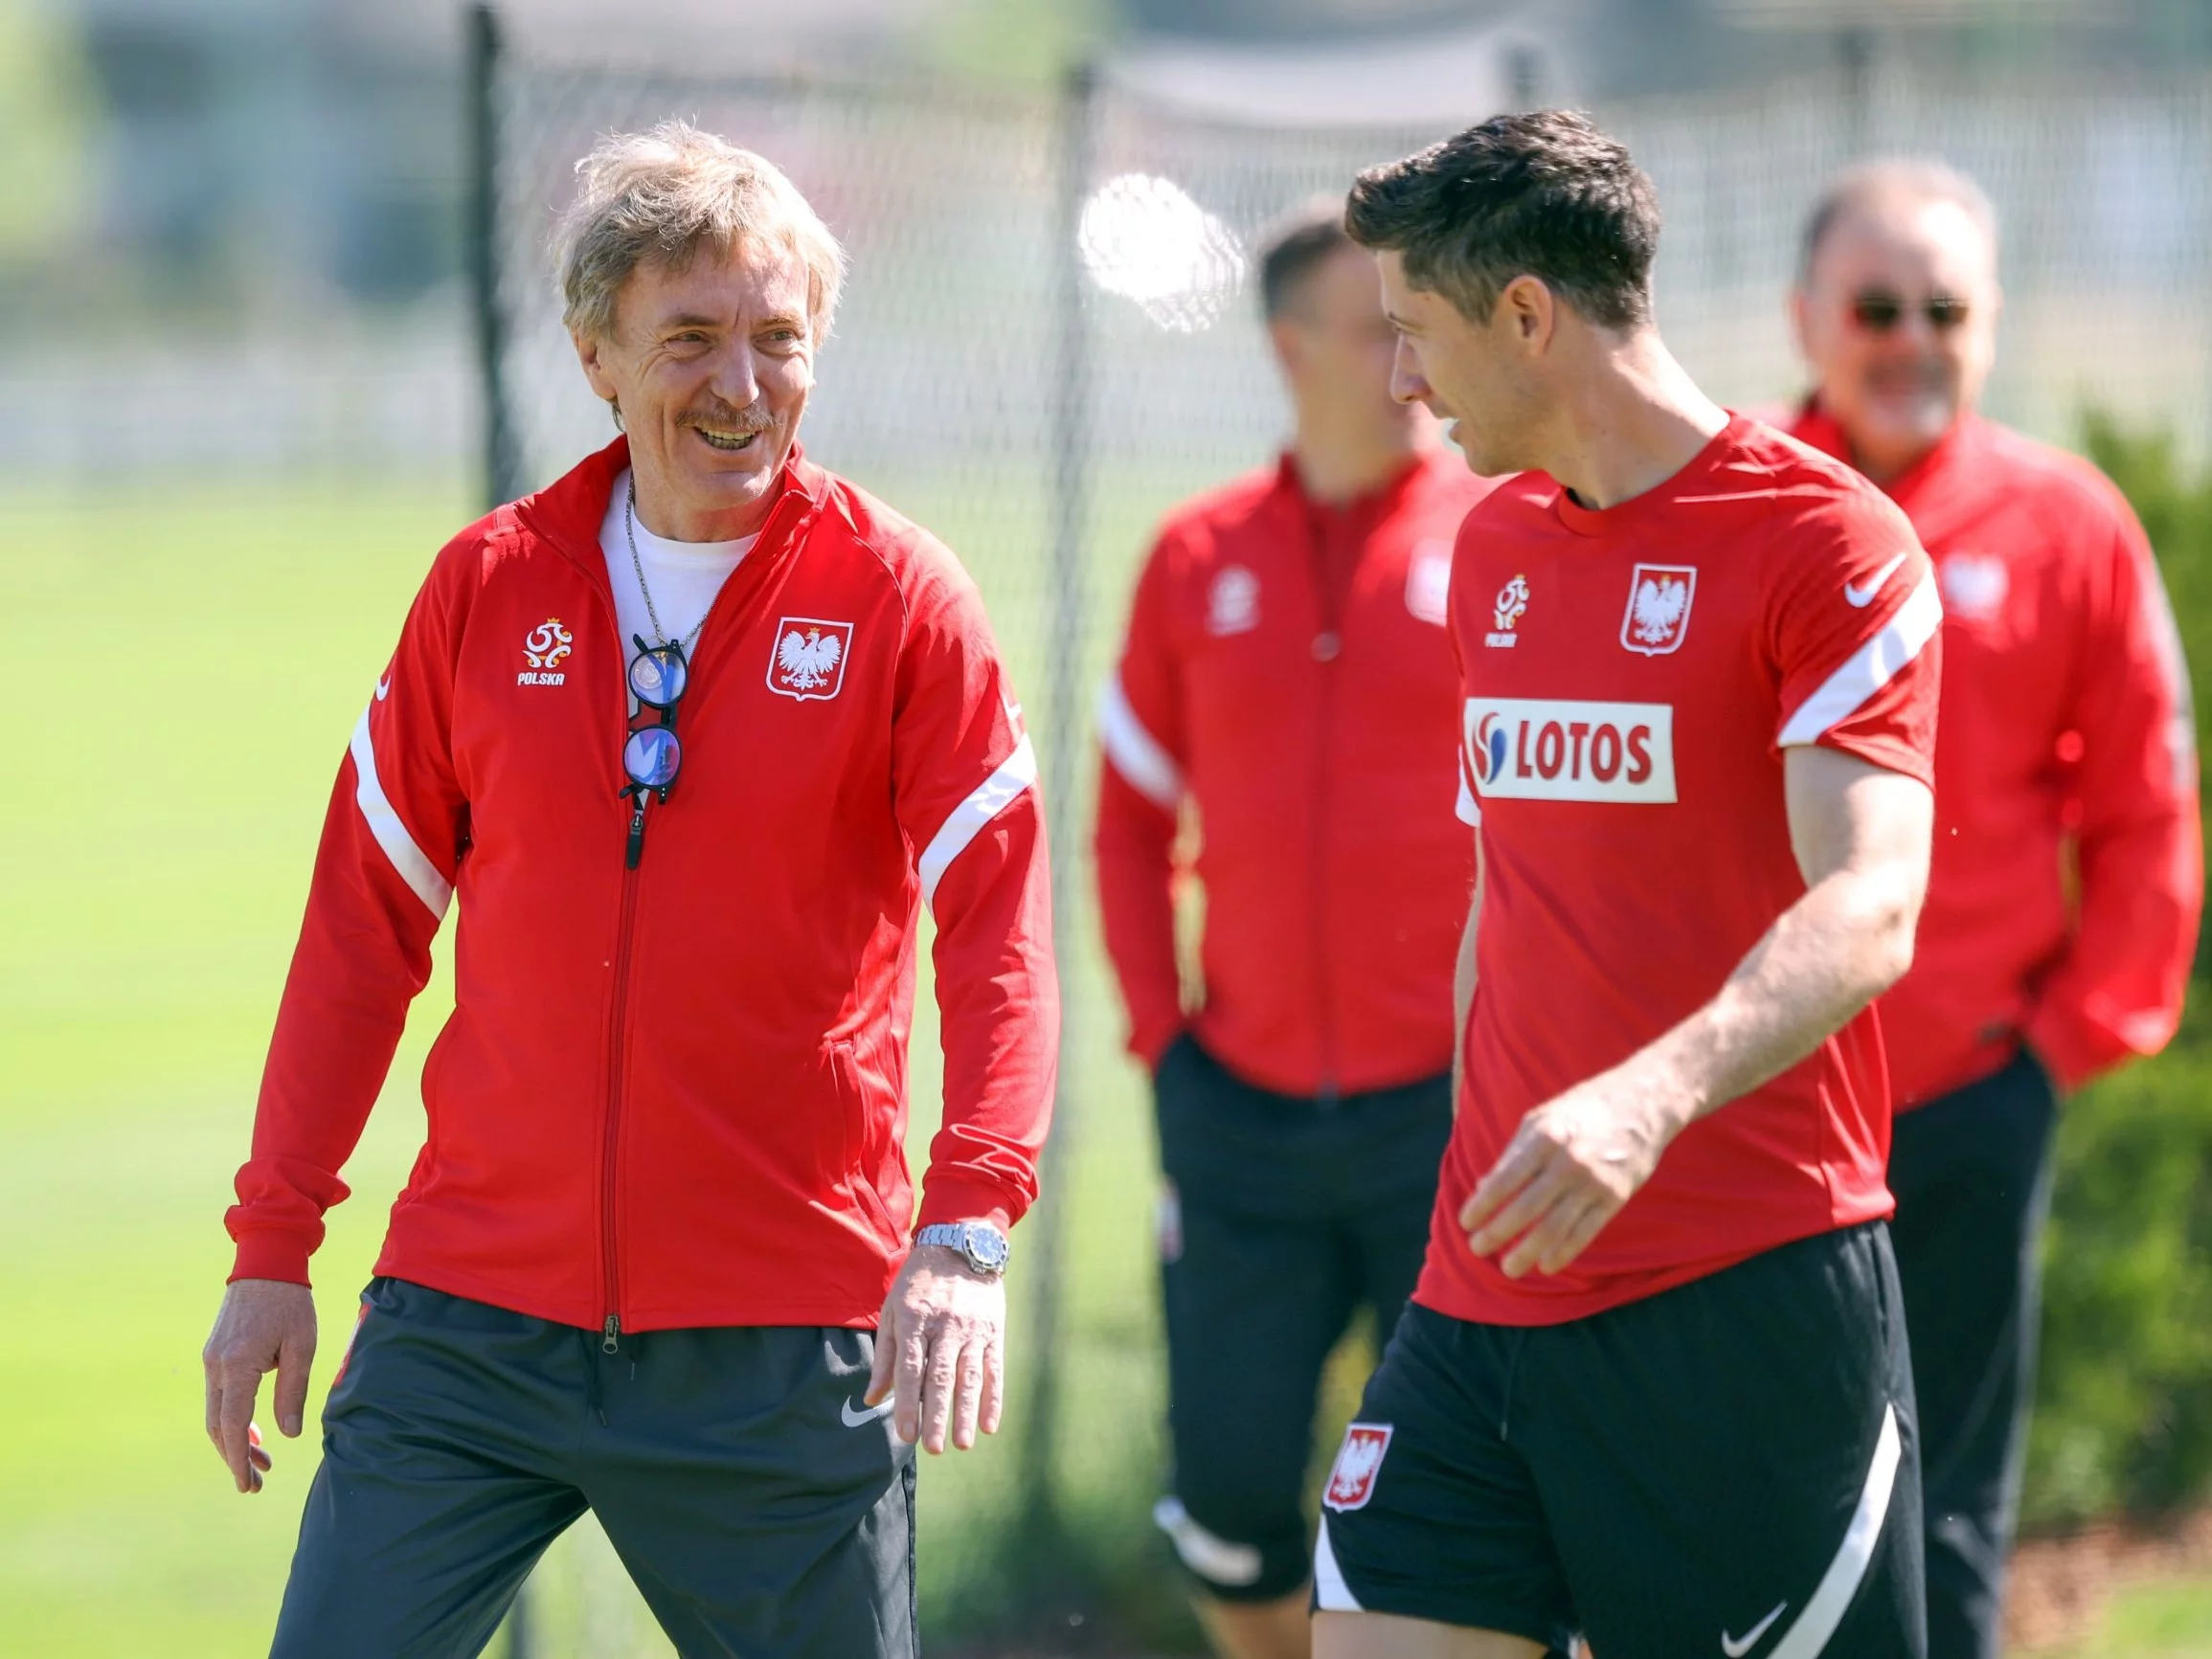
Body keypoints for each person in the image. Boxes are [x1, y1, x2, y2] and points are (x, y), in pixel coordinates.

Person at [198, 122, 1057, 1659]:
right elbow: (359, 935)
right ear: (596, 353)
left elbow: (996, 929)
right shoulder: (485, 584)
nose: (741, 387)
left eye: (778, 342)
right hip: (468, 1326)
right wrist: (273, 1247)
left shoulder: (902, 598)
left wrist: (969, 1225)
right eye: (690, 340)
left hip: (776, 1344)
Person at [1312, 110, 1943, 1659]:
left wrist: (1642, 1101)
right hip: (1482, 1294)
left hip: (1741, 1301)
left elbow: (1870, 902)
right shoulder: (1492, 550)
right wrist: (1472, 1180)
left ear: (1525, 313)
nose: (1402, 381)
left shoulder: (1829, 545)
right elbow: (1500, 905)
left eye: (1418, 333)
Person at [1785, 160, 2202, 1659]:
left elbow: (2148, 805)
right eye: (1875, 305)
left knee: (1945, 1505)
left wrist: (2060, 1049)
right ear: (1806, 317)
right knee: (1753, 1494)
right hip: (1752, 1109)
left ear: (1989, 322)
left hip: (1967, 1102)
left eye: (1943, 308)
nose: (1909, 335)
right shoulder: (1729, 509)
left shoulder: (2067, 525)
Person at [1095, 202, 1495, 1659]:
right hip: (1238, 1128)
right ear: (1285, 347)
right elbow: (1127, 826)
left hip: (1447, 1120)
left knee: (1461, 1511)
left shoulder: (1502, 535)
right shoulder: (1196, 558)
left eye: (1417, 322)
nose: (1406, 356)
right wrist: (1164, 1048)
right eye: (1371, 324)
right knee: (1233, 1513)